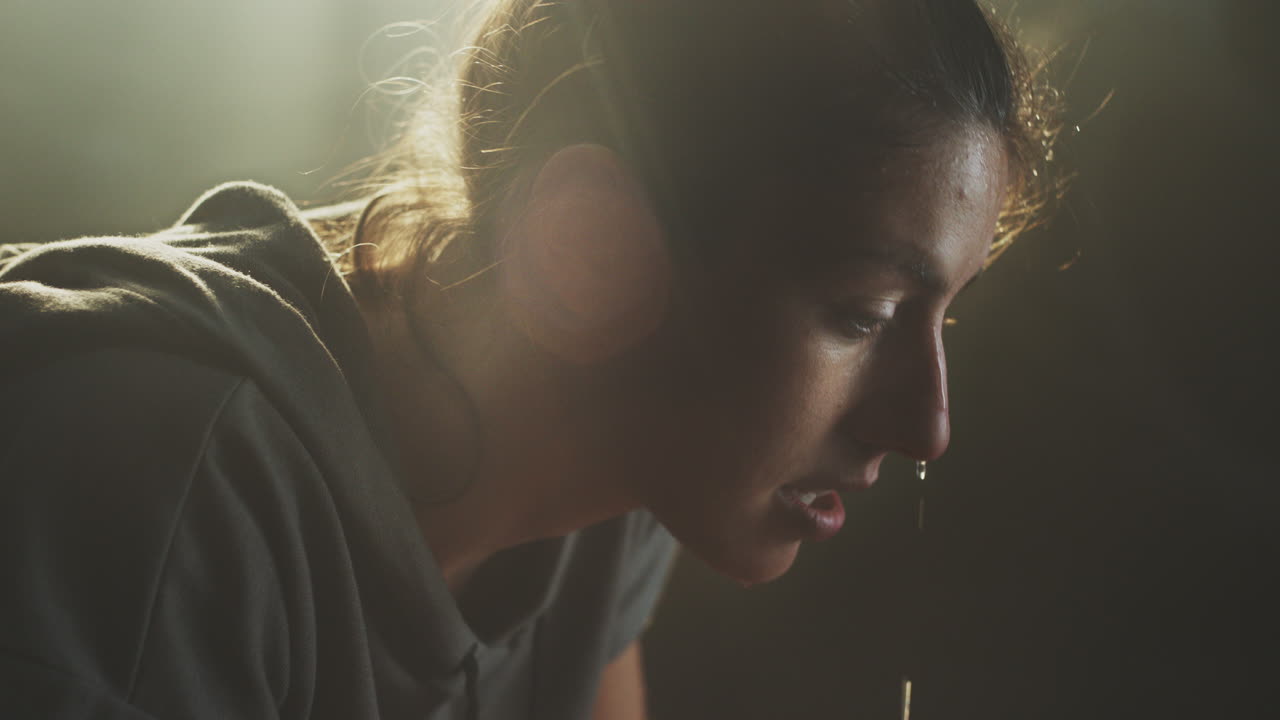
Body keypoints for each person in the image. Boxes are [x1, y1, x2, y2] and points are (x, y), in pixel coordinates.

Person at [0, 0, 1060, 718]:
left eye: (943, 316)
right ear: (587, 244)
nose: (925, 426)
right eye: (865, 312)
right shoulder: (163, 489)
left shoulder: (632, 474)